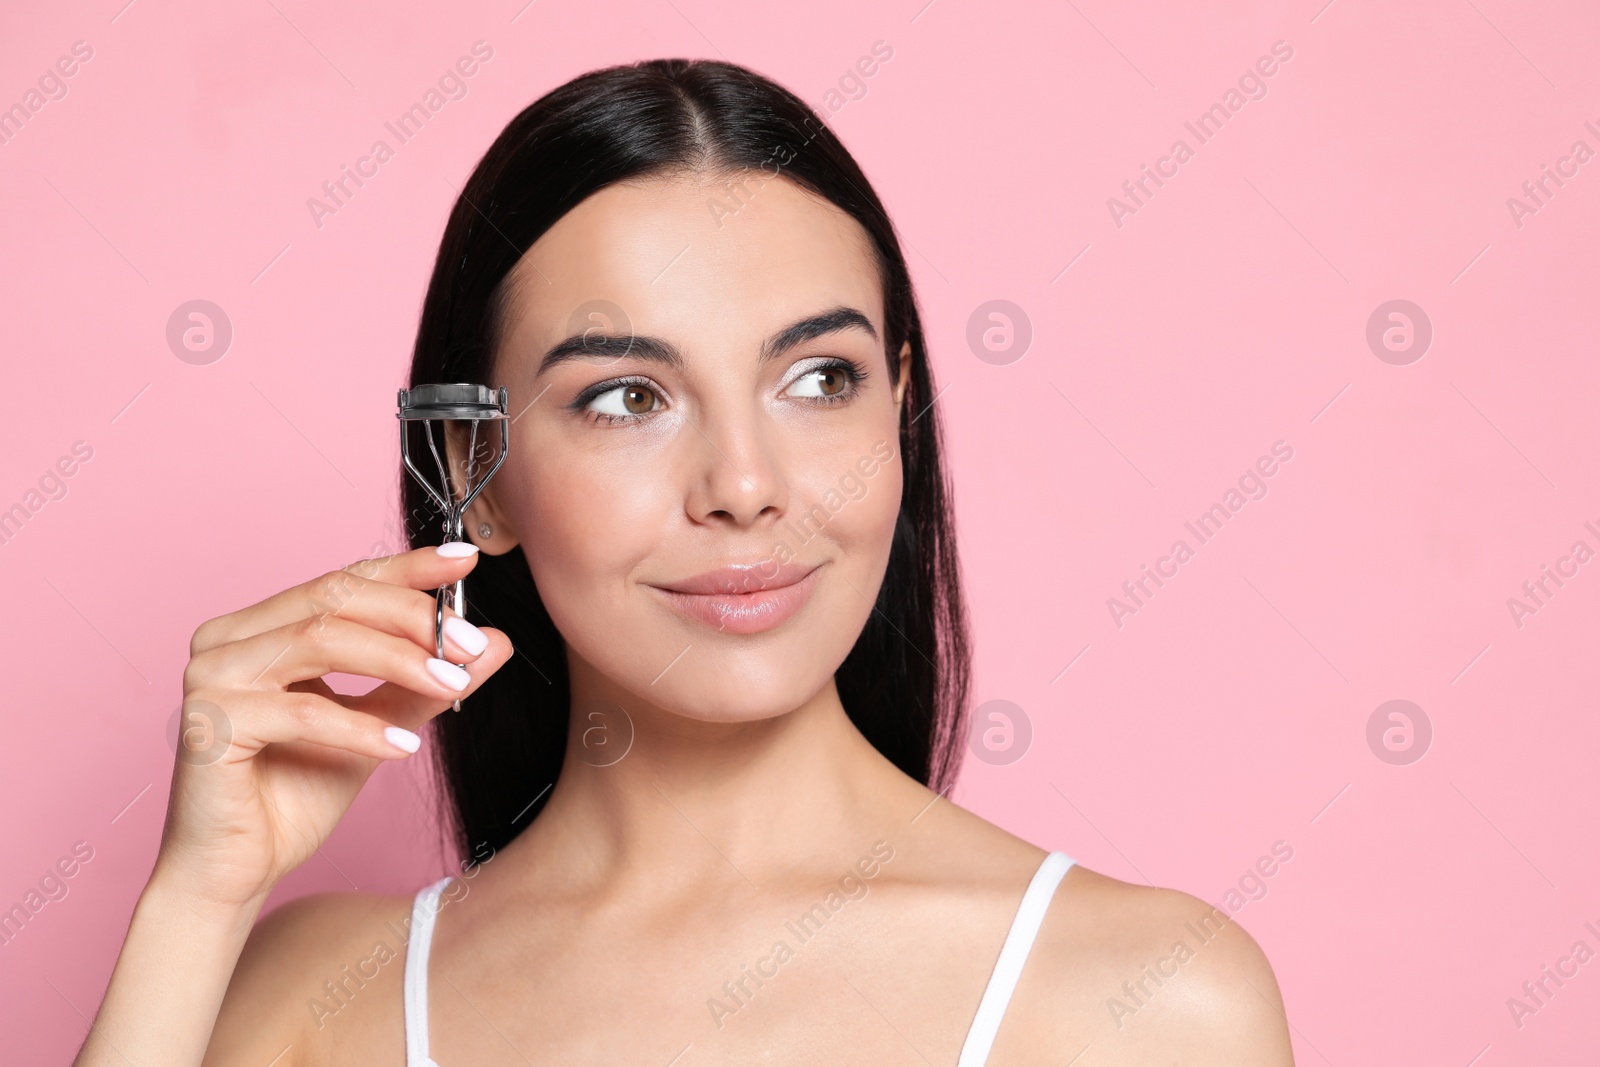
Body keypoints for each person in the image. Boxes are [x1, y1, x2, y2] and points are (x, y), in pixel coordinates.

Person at [75, 59, 1294, 1066]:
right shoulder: (310, 998)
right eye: (626, 395)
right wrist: (195, 900)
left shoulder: (1147, 1002)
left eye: (819, 380)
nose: (745, 485)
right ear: (477, 465)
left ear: (899, 415)